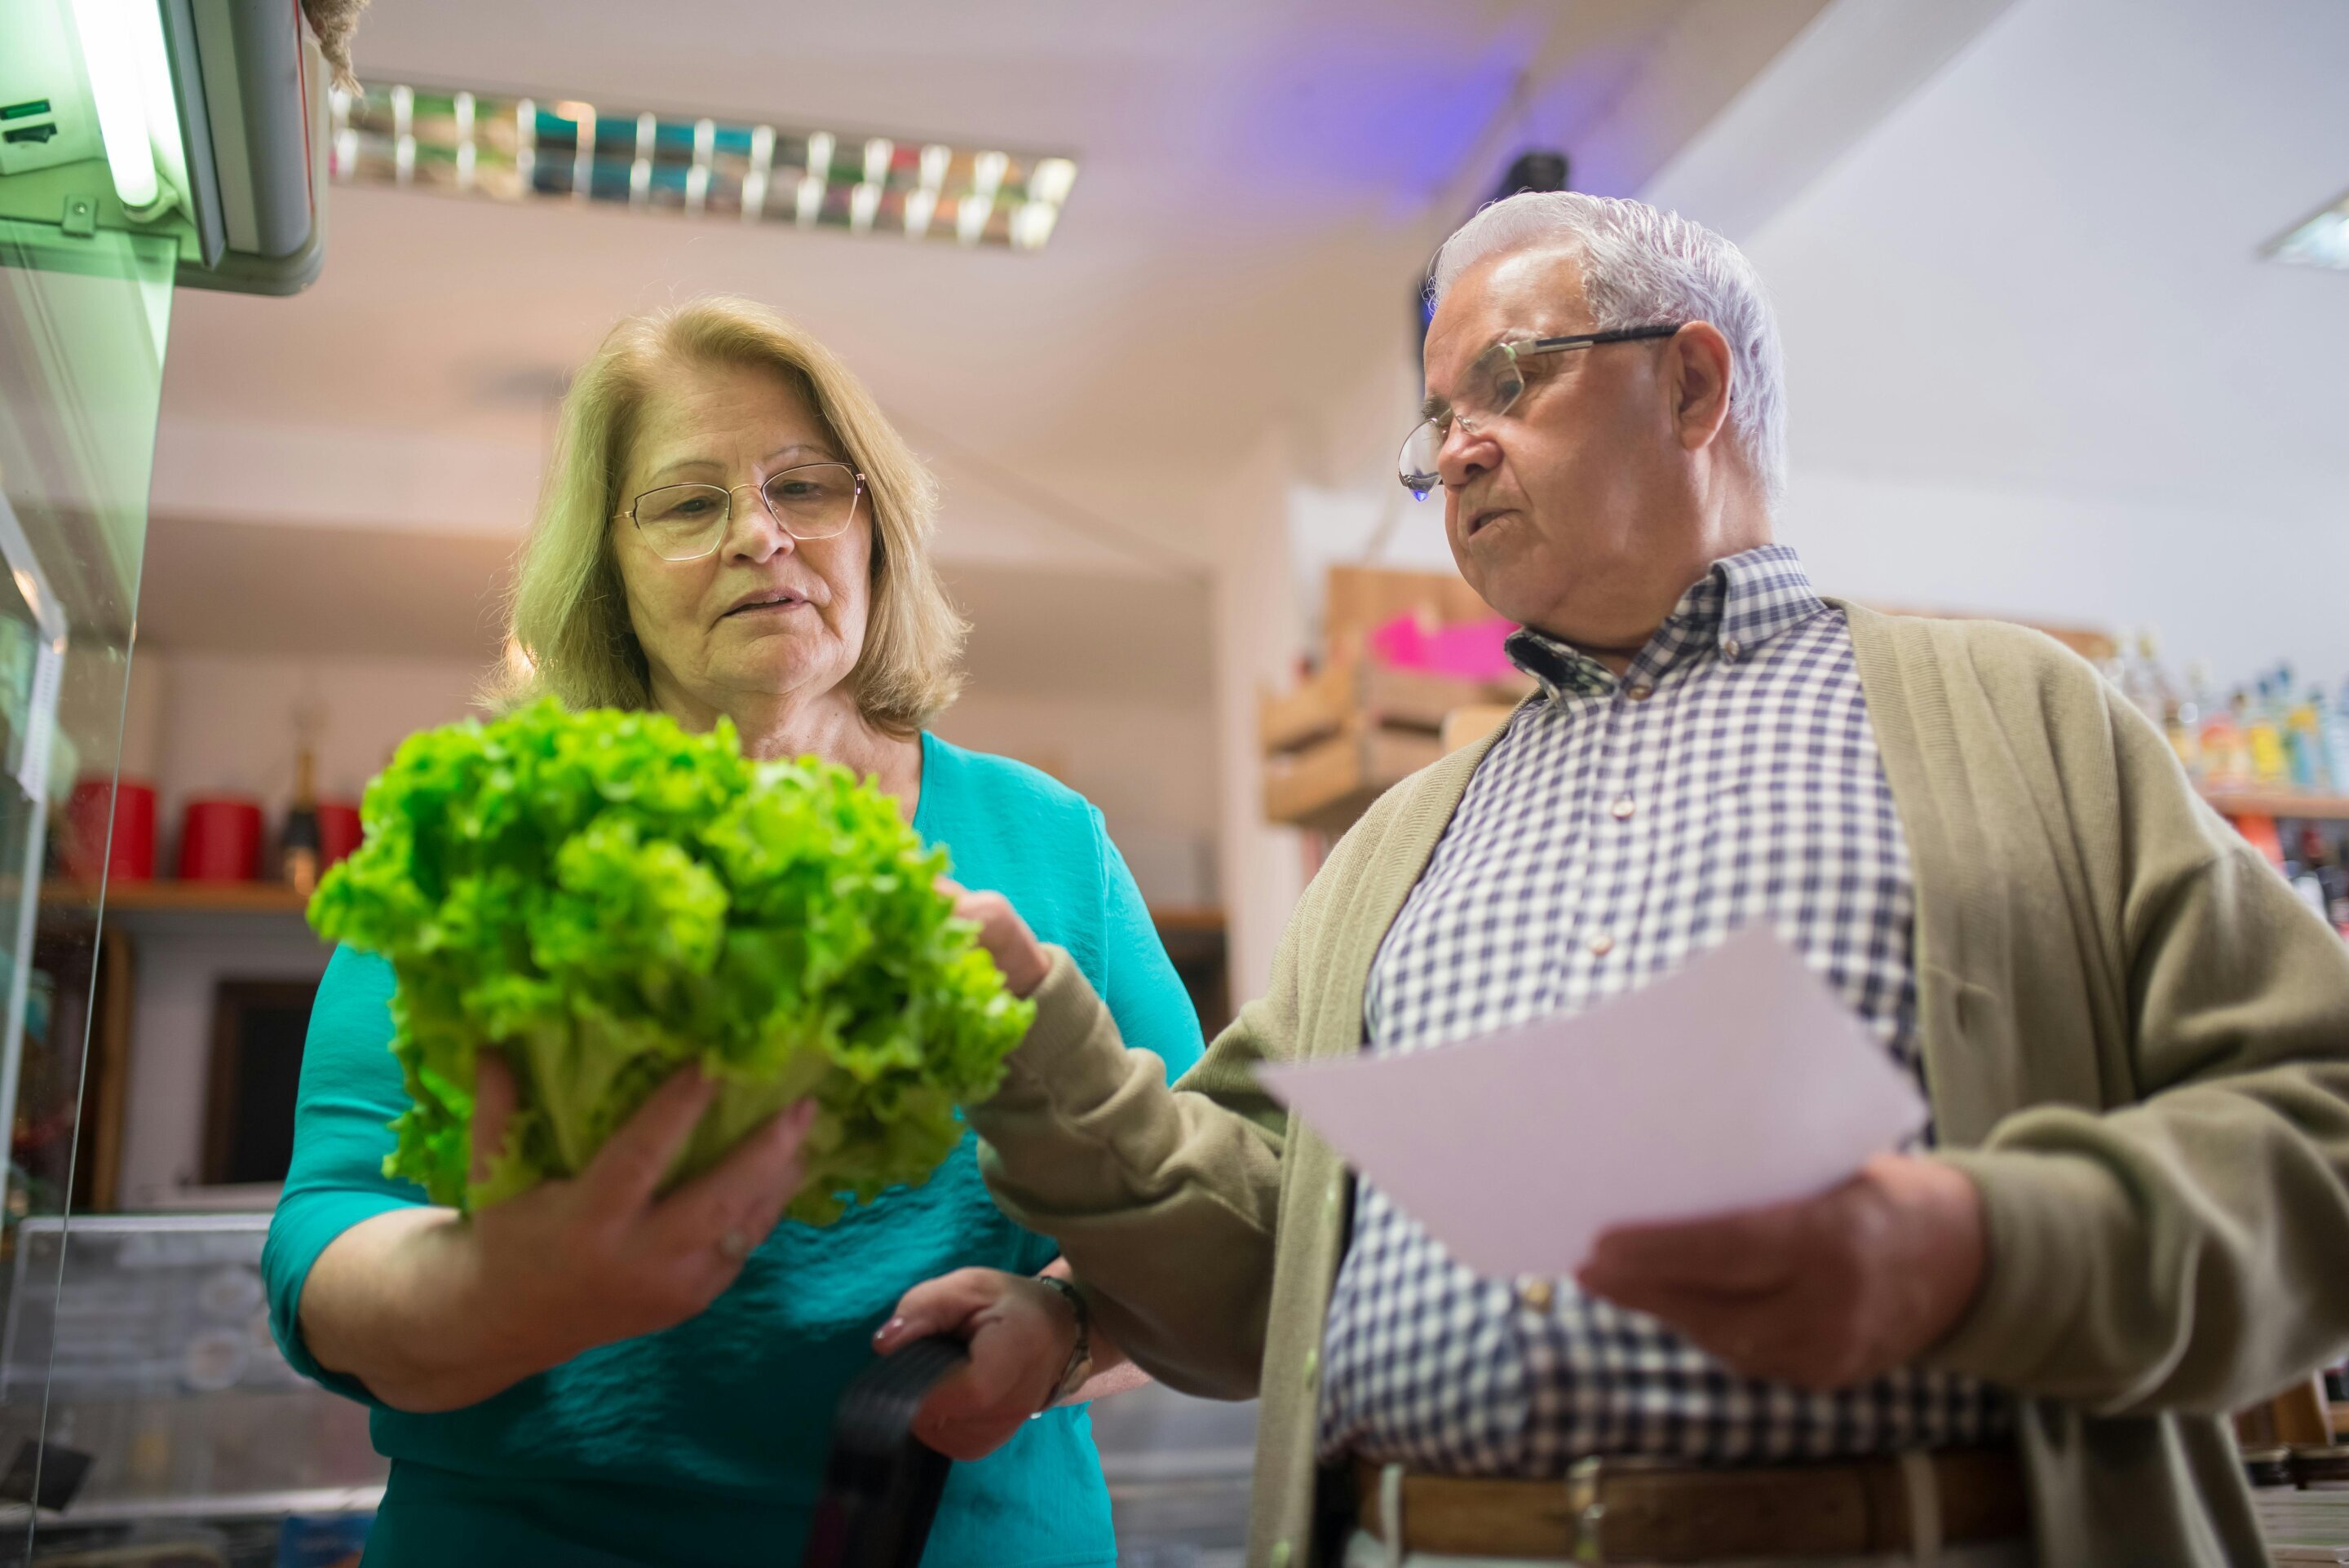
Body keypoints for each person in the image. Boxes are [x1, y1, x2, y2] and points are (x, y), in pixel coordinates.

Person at [891, 192, 2349, 1567]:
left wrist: (1982, 1249)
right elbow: (1249, 1277)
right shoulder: (1395, 849)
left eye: (1507, 382)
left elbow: (2320, 1123)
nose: (1454, 451)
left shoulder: (2020, 720)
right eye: (1437, 420)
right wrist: (1050, 1066)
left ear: (1695, 388)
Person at [261, 295, 1203, 1568]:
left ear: (874, 528)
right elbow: (328, 1240)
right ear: (607, 566)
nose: (760, 534)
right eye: (688, 504)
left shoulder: (1048, 846)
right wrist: (498, 1291)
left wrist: (1068, 1337)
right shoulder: (497, 834)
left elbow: (1201, 1226)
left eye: (805, 486)